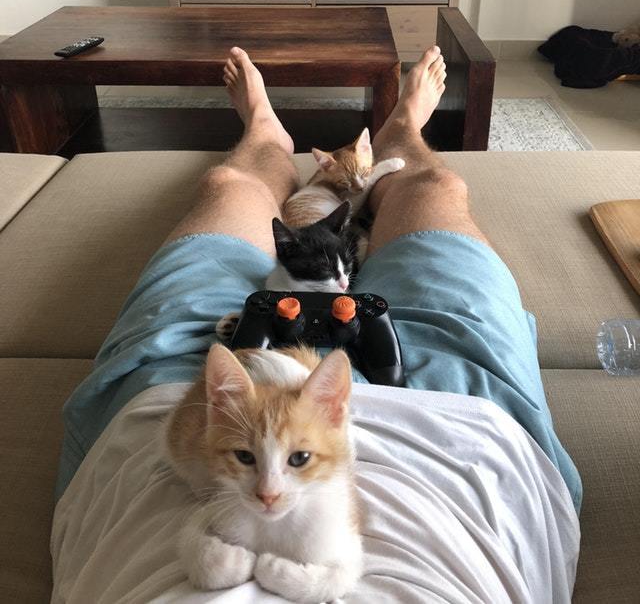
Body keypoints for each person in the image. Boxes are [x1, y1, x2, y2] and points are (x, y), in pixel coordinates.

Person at [51, 46, 581, 603]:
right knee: (436, 190)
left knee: (229, 187)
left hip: (199, 403)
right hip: (454, 431)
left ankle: (266, 137)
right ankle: (398, 131)